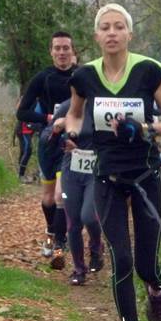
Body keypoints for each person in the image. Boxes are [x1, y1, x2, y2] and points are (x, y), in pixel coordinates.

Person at [65, 4, 161, 321]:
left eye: (119, 27)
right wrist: (71, 131)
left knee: (146, 263)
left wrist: (147, 129)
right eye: (105, 27)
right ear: (96, 36)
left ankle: (157, 290)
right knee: (122, 259)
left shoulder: (148, 71)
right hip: (107, 179)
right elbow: (75, 113)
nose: (112, 33)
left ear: (129, 34)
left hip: (146, 175)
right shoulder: (84, 76)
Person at [16, 31, 77, 265]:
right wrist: (49, 117)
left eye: (66, 48)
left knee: (63, 193)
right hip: (48, 141)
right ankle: (51, 231)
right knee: (49, 197)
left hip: (73, 142)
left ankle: (61, 243)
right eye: (57, 48)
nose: (62, 52)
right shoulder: (43, 78)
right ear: (51, 52)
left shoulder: (82, 76)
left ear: (73, 51)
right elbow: (22, 112)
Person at [50, 99, 104, 285]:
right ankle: (79, 269)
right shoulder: (67, 107)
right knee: (73, 223)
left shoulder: (103, 105)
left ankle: (96, 247)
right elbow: (49, 140)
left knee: (89, 216)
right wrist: (58, 133)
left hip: (95, 173)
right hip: (71, 172)